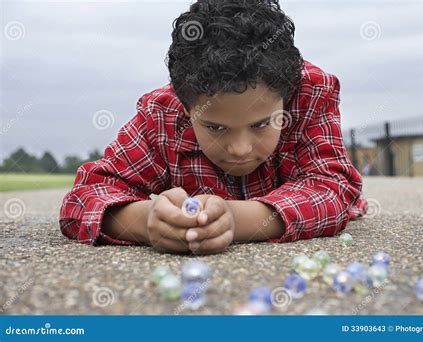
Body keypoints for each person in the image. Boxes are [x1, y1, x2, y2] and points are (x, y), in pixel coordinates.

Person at [59, 0, 368, 255]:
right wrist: (145, 221)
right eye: (216, 128)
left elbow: (333, 190)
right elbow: (83, 198)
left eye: (262, 124)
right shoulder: (162, 114)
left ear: (286, 99)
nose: (240, 149)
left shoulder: (311, 92)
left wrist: (234, 219)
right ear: (185, 107)